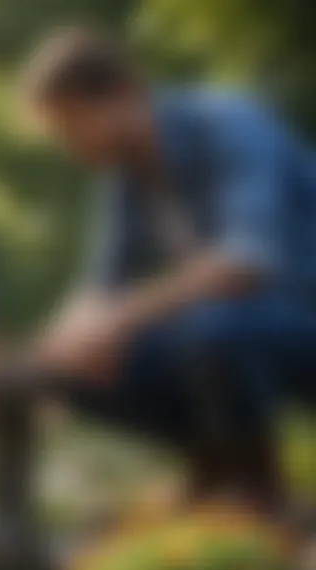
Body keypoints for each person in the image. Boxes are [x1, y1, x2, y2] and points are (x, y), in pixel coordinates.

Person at [19, 26, 316, 517]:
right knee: (85, 369)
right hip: (243, 322)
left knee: (212, 329)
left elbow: (246, 262)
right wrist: (50, 356)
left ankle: (259, 489)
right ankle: (214, 469)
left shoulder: (228, 122)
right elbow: (99, 287)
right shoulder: (123, 177)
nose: (68, 146)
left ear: (123, 94)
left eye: (72, 126)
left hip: (300, 309)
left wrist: (119, 318)